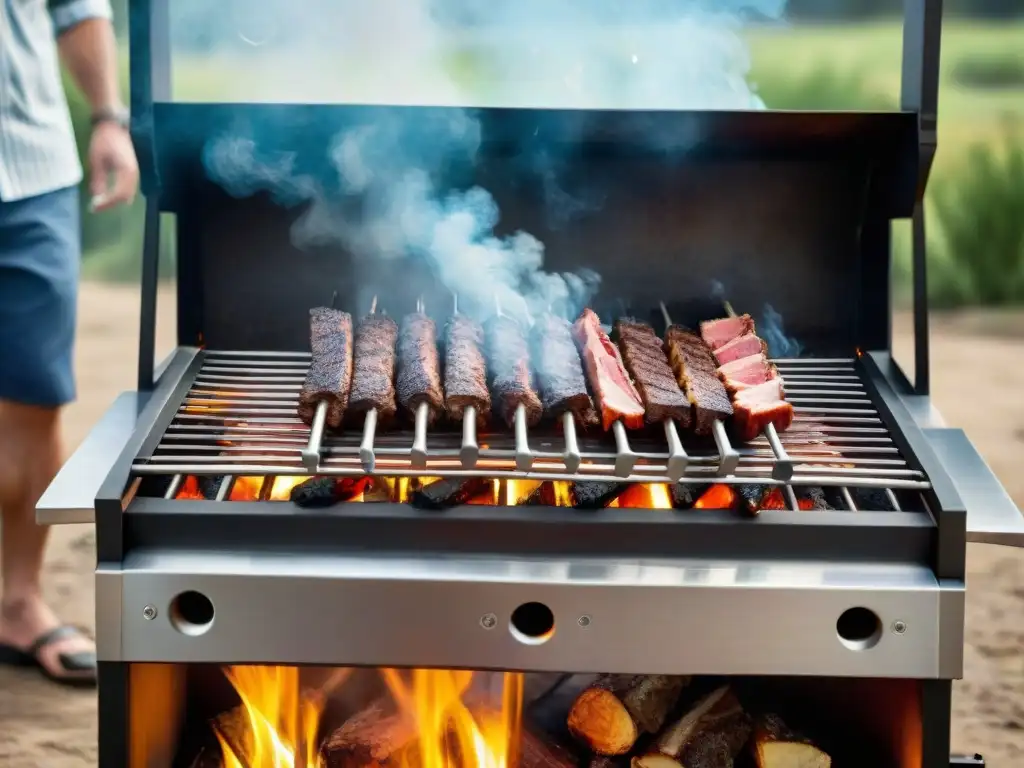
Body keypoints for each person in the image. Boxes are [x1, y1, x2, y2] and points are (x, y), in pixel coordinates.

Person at [0, 0, 139, 687]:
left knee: (33, 396)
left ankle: (18, 603)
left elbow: (75, 5)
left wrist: (109, 118)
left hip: (28, 174)